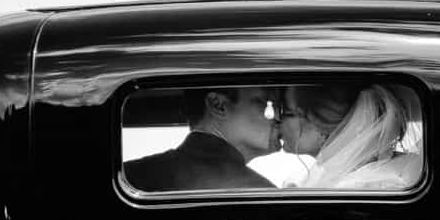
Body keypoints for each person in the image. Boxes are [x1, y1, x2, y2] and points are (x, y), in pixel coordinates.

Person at [124, 86, 281, 191]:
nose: (279, 117)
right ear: (218, 105)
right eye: (267, 103)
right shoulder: (260, 193)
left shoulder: (127, 177)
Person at [279, 81, 422, 189]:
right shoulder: (312, 177)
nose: (277, 120)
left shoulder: (368, 185)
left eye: (285, 112)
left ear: (318, 124)